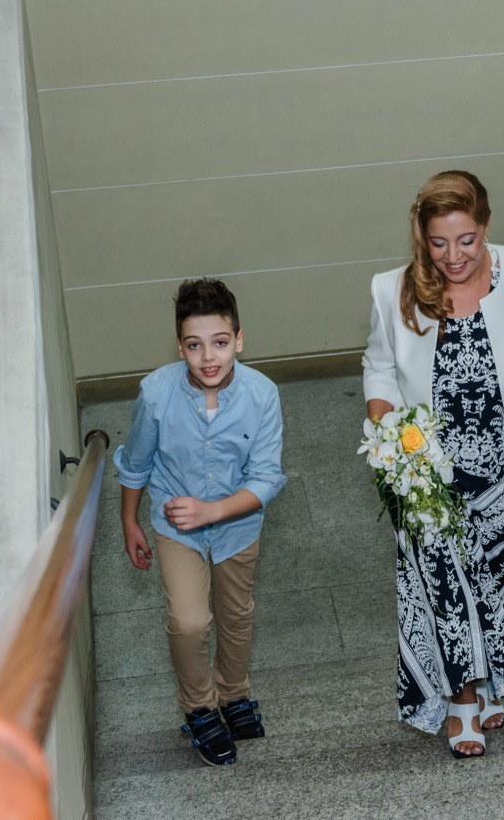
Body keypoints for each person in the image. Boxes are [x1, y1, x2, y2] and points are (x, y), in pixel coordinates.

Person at [362, 170, 504, 758]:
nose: (452, 256)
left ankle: (483, 679)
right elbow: (379, 367)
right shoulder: (393, 290)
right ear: (421, 236)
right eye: (438, 242)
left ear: (485, 227)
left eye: (465, 240)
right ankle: (462, 699)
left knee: (486, 584)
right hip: (427, 473)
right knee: (446, 586)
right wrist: (387, 429)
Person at [114, 278, 286, 767]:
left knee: (236, 617)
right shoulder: (156, 393)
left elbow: (267, 478)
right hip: (176, 528)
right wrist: (129, 522)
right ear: (180, 346)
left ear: (239, 340)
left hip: (237, 527)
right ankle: (199, 706)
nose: (208, 357)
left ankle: (233, 693)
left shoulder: (262, 394)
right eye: (194, 345)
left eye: (220, 342)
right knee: (190, 622)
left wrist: (213, 510)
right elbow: (136, 462)